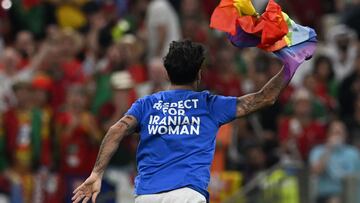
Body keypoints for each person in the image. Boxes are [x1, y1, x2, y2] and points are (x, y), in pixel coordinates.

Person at [72, 39, 316, 203]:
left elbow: (116, 130)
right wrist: (290, 64)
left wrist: (96, 173)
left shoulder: (146, 105)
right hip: (188, 195)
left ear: (167, 72)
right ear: (200, 73)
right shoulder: (209, 105)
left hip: (147, 196)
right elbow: (265, 98)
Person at [310, 120, 360, 203]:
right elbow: (316, 172)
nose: (337, 136)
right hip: (326, 195)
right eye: (335, 133)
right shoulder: (318, 151)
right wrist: (328, 150)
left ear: (345, 135)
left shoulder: (353, 153)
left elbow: (357, 177)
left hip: (350, 194)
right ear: (328, 135)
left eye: (340, 133)